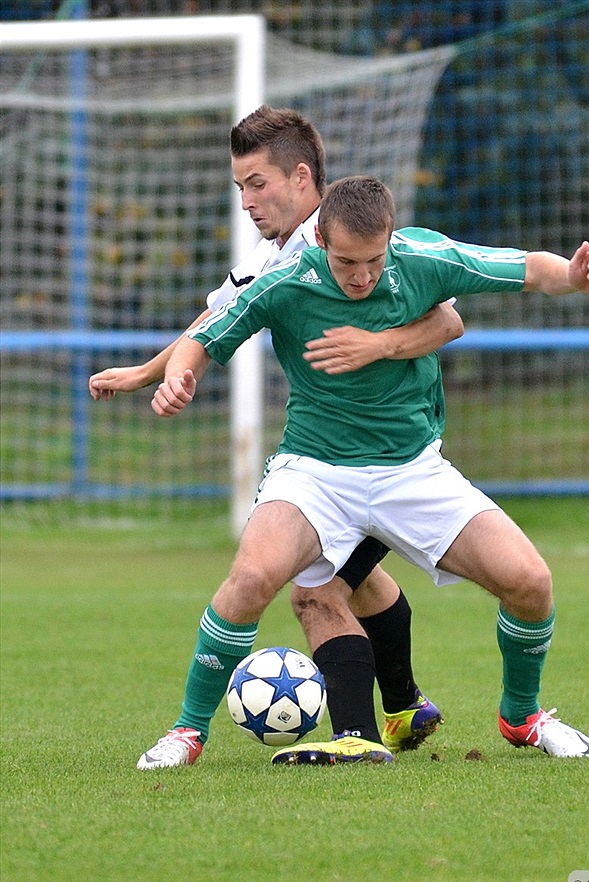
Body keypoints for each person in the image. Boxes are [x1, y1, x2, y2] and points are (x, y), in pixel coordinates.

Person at [151, 174, 589, 765]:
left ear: (391, 239)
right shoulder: (285, 282)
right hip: (314, 473)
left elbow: (525, 268)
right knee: (250, 580)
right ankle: (187, 733)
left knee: (531, 583)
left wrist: (573, 279)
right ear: (319, 238)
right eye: (347, 261)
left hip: (413, 473)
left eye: (374, 260)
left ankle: (521, 717)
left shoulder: (421, 258)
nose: (361, 276)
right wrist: (177, 376)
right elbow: (206, 333)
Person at [90, 107, 462, 769]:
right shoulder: (275, 257)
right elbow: (217, 316)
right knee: (353, 578)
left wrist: (382, 345)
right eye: (238, 188)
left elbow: (449, 317)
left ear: (298, 177)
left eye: (256, 183)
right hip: (335, 455)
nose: (247, 200)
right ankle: (405, 707)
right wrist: (152, 372)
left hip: (394, 454)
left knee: (314, 590)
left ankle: (250, 730)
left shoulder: (351, 239)